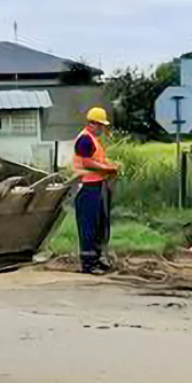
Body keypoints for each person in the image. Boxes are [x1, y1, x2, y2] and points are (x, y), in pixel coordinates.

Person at [72, 107, 121, 275]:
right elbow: (87, 163)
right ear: (92, 123)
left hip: (97, 185)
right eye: (100, 125)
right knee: (88, 225)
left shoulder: (92, 139)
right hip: (87, 187)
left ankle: (97, 259)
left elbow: (96, 159)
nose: (102, 128)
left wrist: (108, 165)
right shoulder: (85, 139)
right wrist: (107, 169)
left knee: (100, 224)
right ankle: (88, 264)